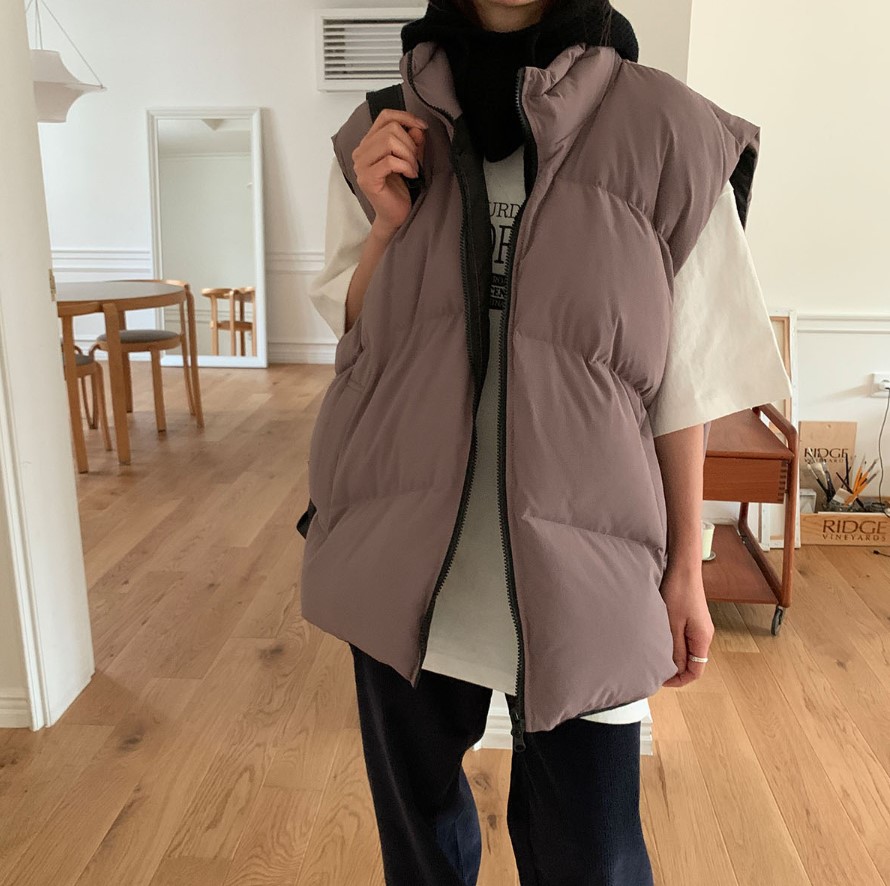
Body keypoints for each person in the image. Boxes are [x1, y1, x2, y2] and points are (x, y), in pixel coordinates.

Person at [303, 0, 793, 882]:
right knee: (418, 852)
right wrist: (383, 227)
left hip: (594, 572)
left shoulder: (670, 131)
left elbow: (685, 381)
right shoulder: (384, 128)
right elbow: (358, 339)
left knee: (592, 858)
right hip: (401, 556)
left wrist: (686, 565)